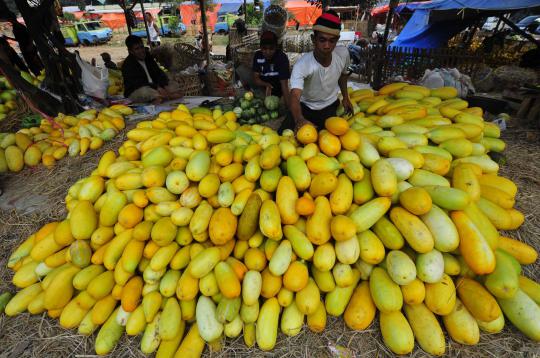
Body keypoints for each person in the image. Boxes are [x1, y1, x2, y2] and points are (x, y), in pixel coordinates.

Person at [287, 10, 352, 130]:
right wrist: (299, 119)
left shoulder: (343, 54)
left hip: (329, 107)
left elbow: (343, 76)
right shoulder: (302, 65)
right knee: (284, 135)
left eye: (332, 41)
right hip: (304, 108)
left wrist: (346, 98)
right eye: (322, 40)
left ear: (337, 40)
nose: (327, 46)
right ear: (313, 39)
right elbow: (295, 96)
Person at [122, 35, 181, 104]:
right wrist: (157, 88)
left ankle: (164, 96)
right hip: (138, 90)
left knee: (172, 84)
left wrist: (164, 85)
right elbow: (138, 83)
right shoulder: (128, 65)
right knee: (147, 92)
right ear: (131, 51)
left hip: (155, 86)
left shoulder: (148, 57)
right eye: (137, 49)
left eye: (142, 47)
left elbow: (158, 72)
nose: (141, 51)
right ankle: (165, 97)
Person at [252, 31, 290, 107]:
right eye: (264, 48)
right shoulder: (258, 56)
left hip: (278, 88)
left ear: (276, 47)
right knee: (241, 69)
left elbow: (284, 85)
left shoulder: (282, 58)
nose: (268, 52)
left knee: (280, 104)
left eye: (271, 48)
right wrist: (266, 85)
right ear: (260, 48)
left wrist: (289, 106)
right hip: (262, 87)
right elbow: (255, 78)